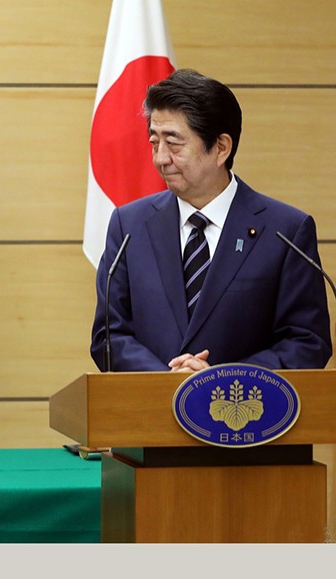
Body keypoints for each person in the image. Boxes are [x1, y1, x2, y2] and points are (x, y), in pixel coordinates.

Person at [91, 69, 331, 373]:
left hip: (245, 412)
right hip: (148, 412)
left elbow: (307, 342)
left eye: (173, 143)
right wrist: (168, 382)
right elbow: (109, 336)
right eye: (155, 142)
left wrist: (218, 380)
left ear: (221, 148)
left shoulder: (286, 232)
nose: (160, 158)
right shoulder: (129, 226)